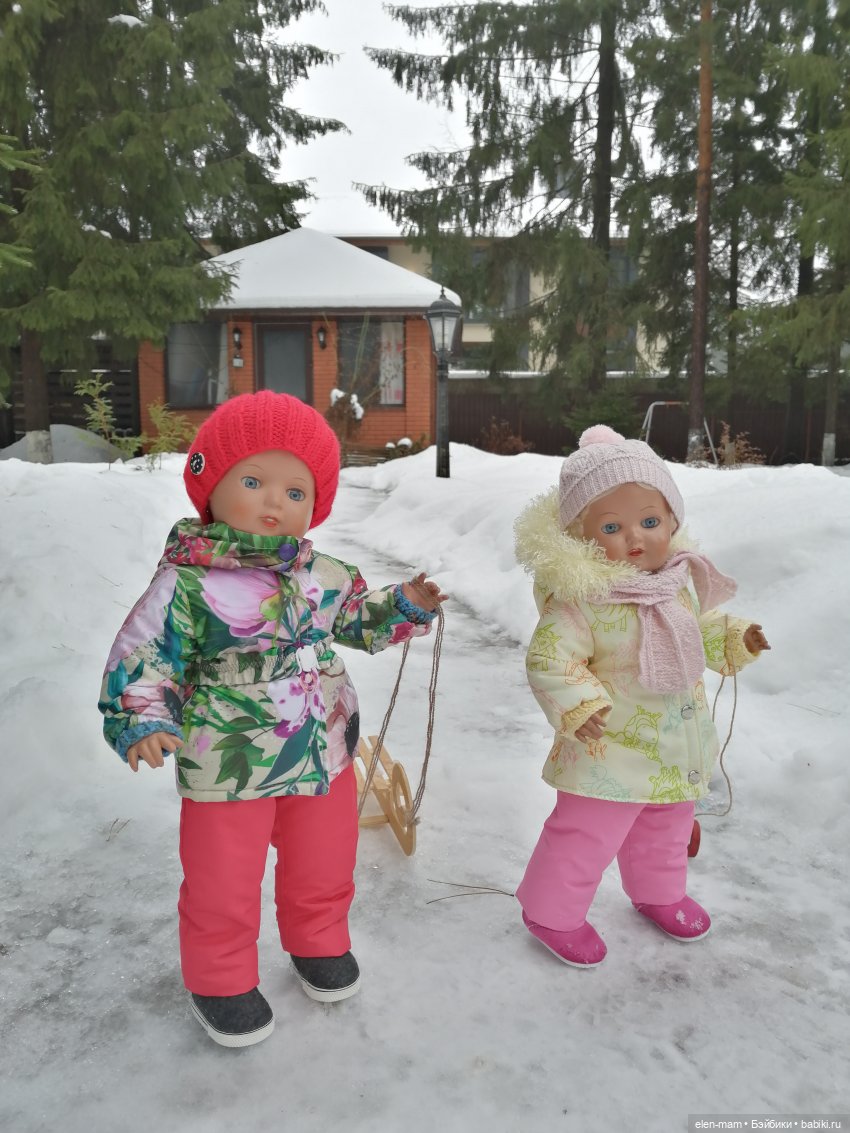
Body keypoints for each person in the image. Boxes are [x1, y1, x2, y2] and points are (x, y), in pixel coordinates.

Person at [99, 391, 446, 1046]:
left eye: (295, 491)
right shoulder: (188, 583)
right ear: (211, 486)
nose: (273, 502)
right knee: (222, 875)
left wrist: (404, 605)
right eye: (254, 481)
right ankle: (220, 975)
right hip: (227, 756)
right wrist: (141, 717)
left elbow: (356, 619)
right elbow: (145, 653)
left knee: (324, 858)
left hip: (323, 747)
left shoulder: (323, 574)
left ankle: (318, 939)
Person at [513, 425, 769, 968]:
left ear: (671, 521)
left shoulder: (675, 582)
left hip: (674, 746)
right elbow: (551, 658)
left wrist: (734, 639)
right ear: (581, 537)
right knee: (585, 835)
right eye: (612, 527)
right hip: (606, 750)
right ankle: (550, 912)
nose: (635, 537)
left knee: (665, 828)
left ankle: (659, 892)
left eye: (649, 522)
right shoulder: (581, 600)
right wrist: (578, 703)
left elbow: (698, 628)